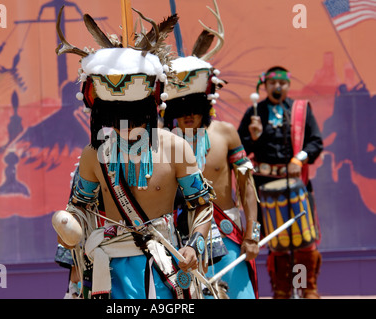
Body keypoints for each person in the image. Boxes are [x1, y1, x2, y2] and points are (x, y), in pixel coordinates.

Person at [53, 8, 216, 299]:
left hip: (164, 265)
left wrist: (195, 245)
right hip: (110, 271)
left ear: (151, 107)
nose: (126, 123)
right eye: (115, 116)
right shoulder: (94, 154)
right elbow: (79, 206)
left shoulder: (176, 147)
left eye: (135, 113)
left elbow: (201, 205)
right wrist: (69, 226)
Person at [161, 52, 261, 299]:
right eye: (181, 108)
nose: (189, 115)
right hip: (181, 239)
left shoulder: (225, 133)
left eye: (195, 108)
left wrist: (251, 234)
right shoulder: (161, 142)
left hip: (227, 233)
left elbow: (247, 186)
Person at [237, 66, 323, 299]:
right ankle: (283, 290)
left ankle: (306, 289)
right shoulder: (255, 112)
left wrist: (299, 158)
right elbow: (239, 150)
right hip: (266, 187)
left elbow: (315, 142)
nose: (277, 87)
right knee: (279, 243)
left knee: (303, 243)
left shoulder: (300, 111)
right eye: (273, 83)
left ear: (288, 85)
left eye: (282, 83)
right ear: (265, 86)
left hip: (296, 184)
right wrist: (252, 138)